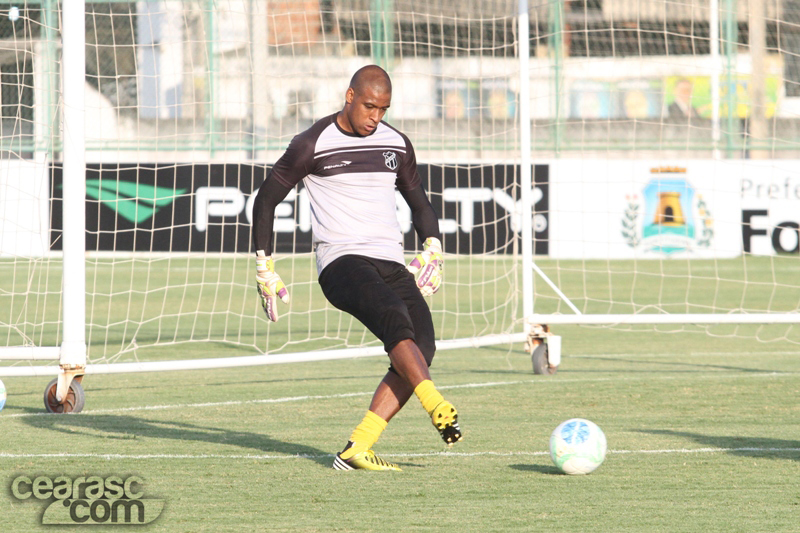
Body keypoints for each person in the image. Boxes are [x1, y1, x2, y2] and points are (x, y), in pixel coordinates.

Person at [251, 65, 463, 471]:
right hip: (341, 262)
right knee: (394, 317)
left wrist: (433, 246)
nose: (375, 117)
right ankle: (436, 404)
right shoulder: (311, 143)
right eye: (369, 106)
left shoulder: (397, 144)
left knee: (423, 346)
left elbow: (419, 202)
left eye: (383, 109)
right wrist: (265, 265)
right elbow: (266, 200)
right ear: (349, 97)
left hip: (390, 261)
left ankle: (356, 448)